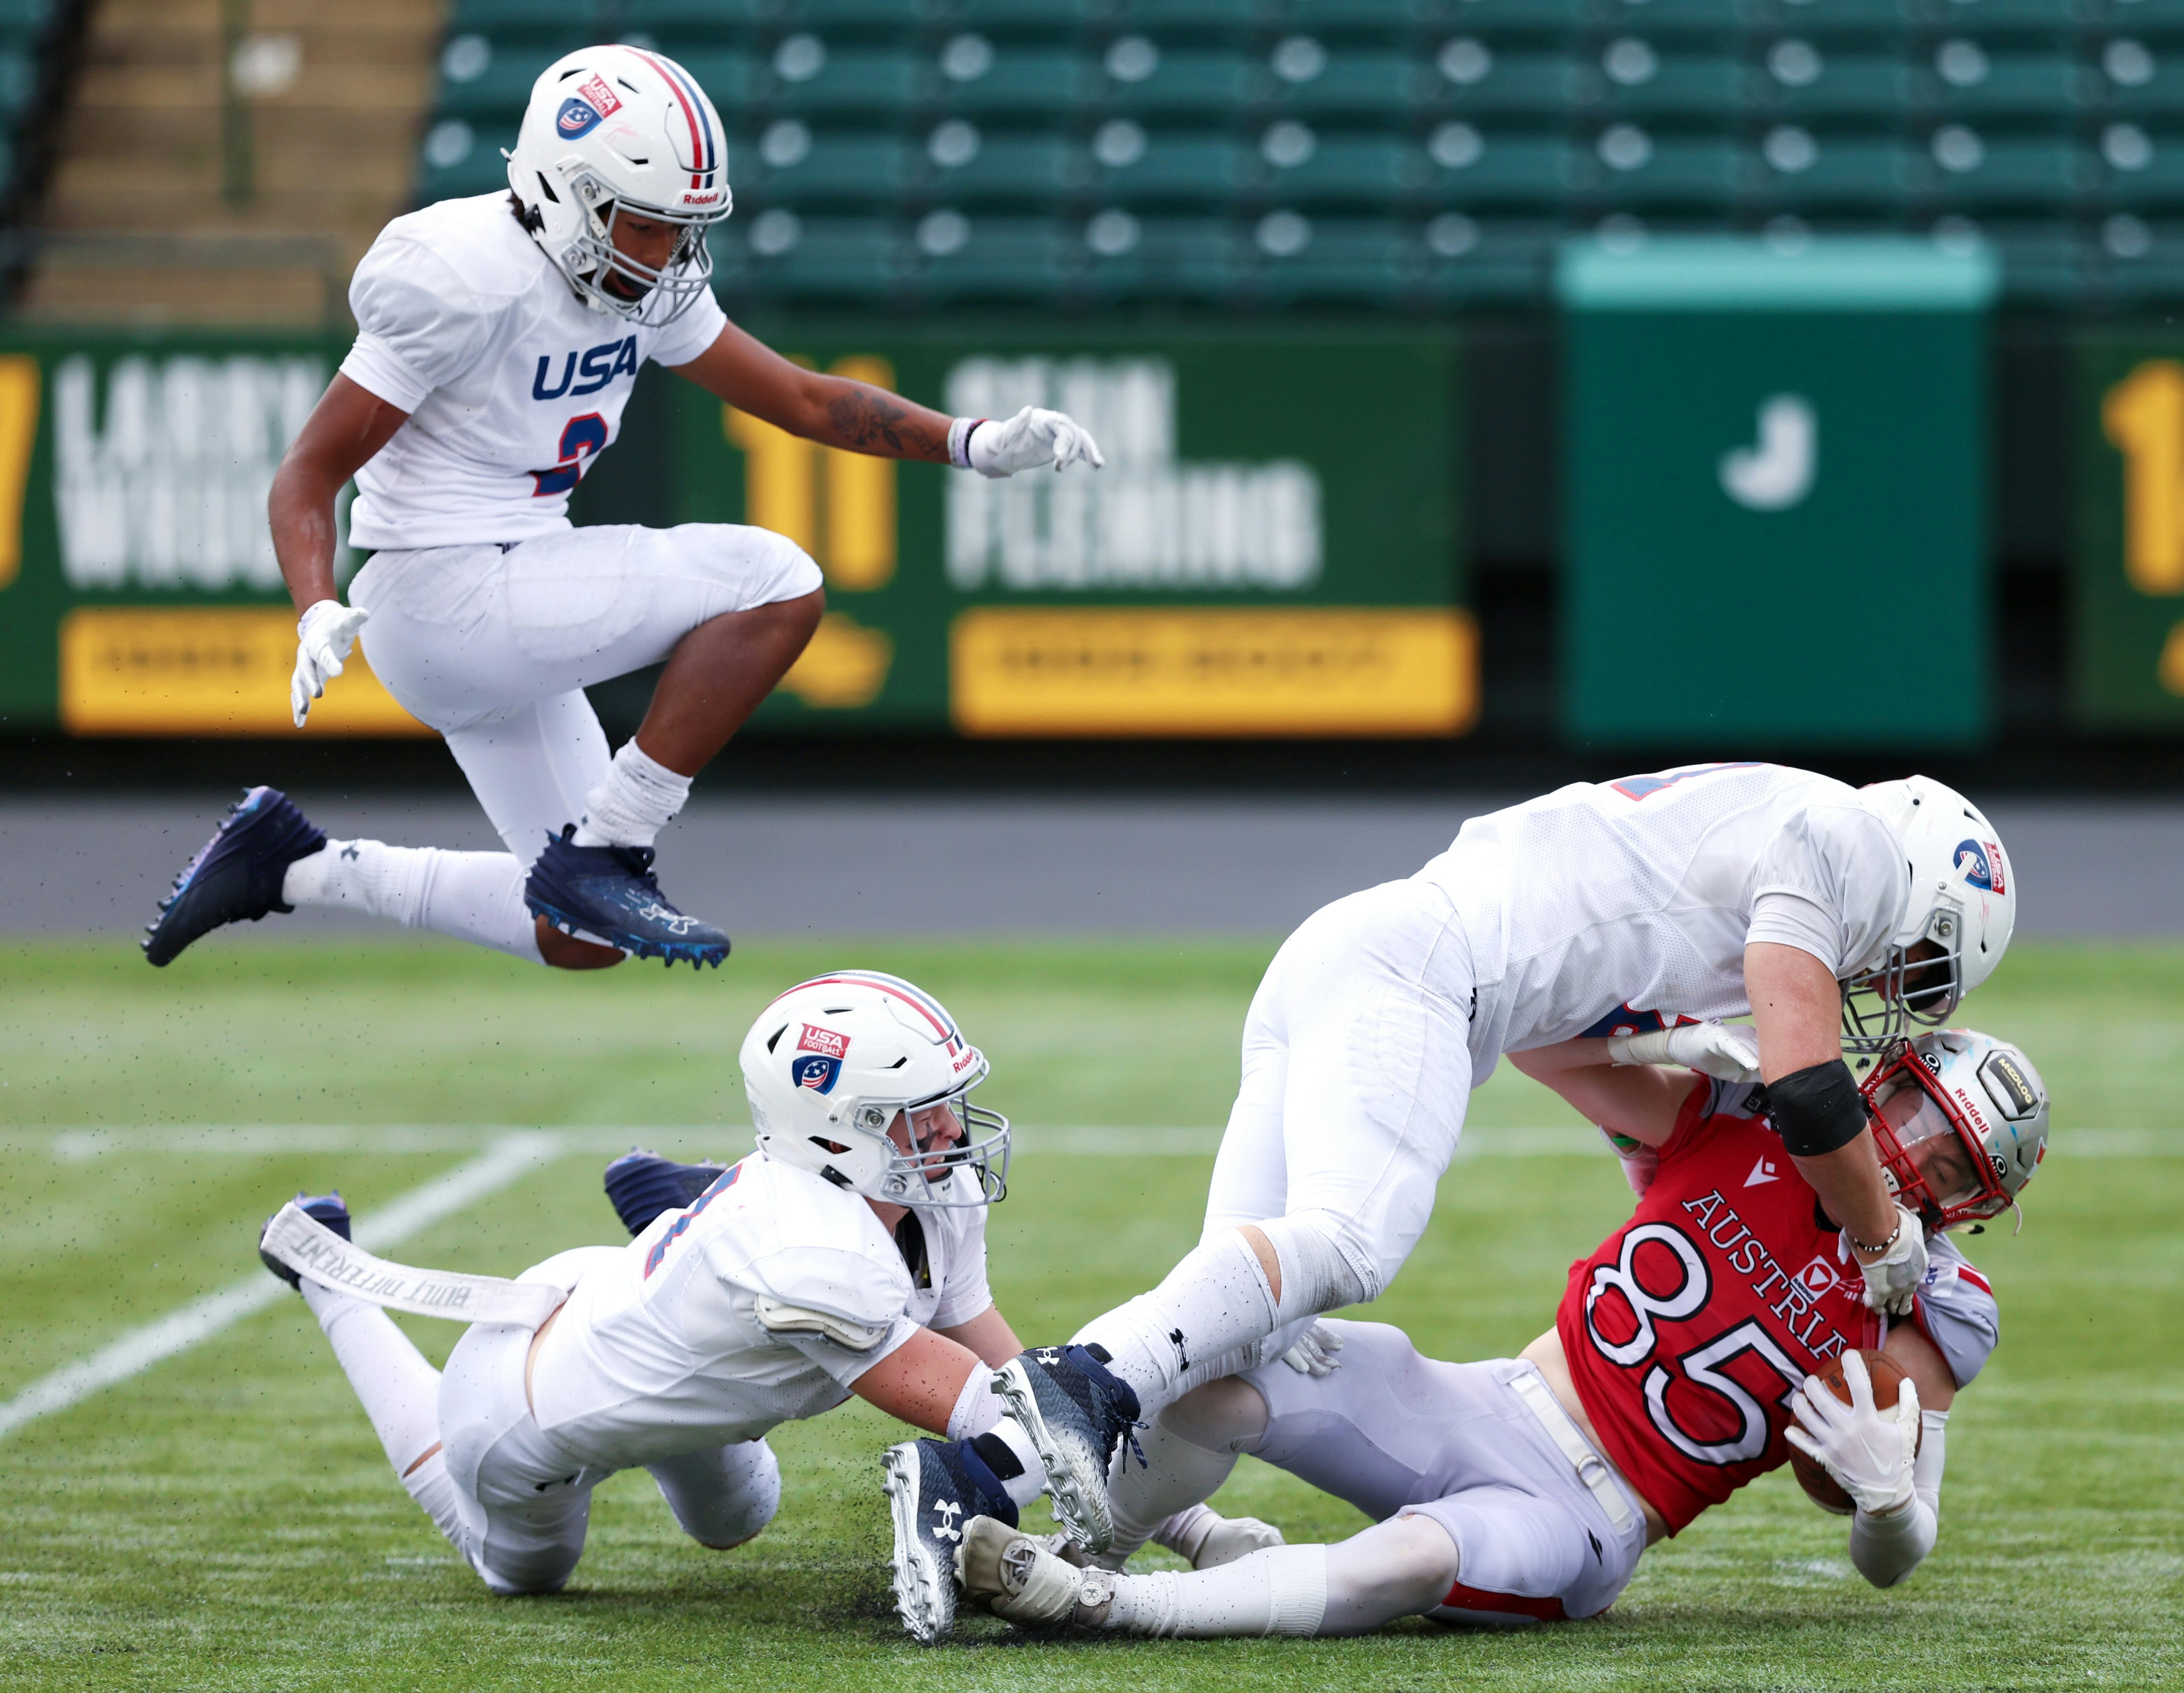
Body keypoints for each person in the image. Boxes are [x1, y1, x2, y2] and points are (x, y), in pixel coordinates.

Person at [143, 43, 1101, 973]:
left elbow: (804, 399)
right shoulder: (463, 272)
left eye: (683, 227)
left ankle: (295, 865)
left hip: (506, 596)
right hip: (442, 594)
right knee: (777, 582)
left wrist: (972, 443)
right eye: (644, 224)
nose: (668, 252)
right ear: (565, 192)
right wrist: (314, 603)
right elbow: (306, 473)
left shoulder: (636, 278)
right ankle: (612, 847)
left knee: (580, 934)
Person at [984, 764, 2019, 1554]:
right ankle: (1071, 1384)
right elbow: (1807, 1086)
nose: (1888, 978)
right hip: (1428, 975)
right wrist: (1882, 1234)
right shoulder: (1854, 845)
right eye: (1917, 956)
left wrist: (1664, 1053)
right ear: (1919, 878)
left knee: (1235, 1344)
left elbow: (1587, 1018)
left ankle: (1030, 1530)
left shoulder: (1762, 826)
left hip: (1382, 950)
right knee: (1346, 1245)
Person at [948, 1026, 2045, 1638]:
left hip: (1583, 1515)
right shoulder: (1740, 1120)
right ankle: (1089, 1540)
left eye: (1947, 1164)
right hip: (1484, 1398)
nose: (1906, 1157)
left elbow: (1893, 1560)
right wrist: (1676, 1035)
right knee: (1231, 1364)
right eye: (1907, 1117)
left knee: (1416, 1563)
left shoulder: (1928, 1303)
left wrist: (1889, 1498)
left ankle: (1109, 1604)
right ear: (1875, 1082)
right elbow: (1543, 1047)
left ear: (1970, 1206)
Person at [261, 972, 1041, 1597]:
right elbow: (991, 1410)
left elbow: (1012, 1373)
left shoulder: (929, 1191)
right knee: (520, 1576)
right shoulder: (814, 1252)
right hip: (517, 1408)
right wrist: (1128, 1511)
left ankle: (689, 1211)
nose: (951, 1130)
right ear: (835, 1130)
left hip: (642, 1327)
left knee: (737, 1517)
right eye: (919, 1112)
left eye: (947, 1102)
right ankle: (324, 1270)